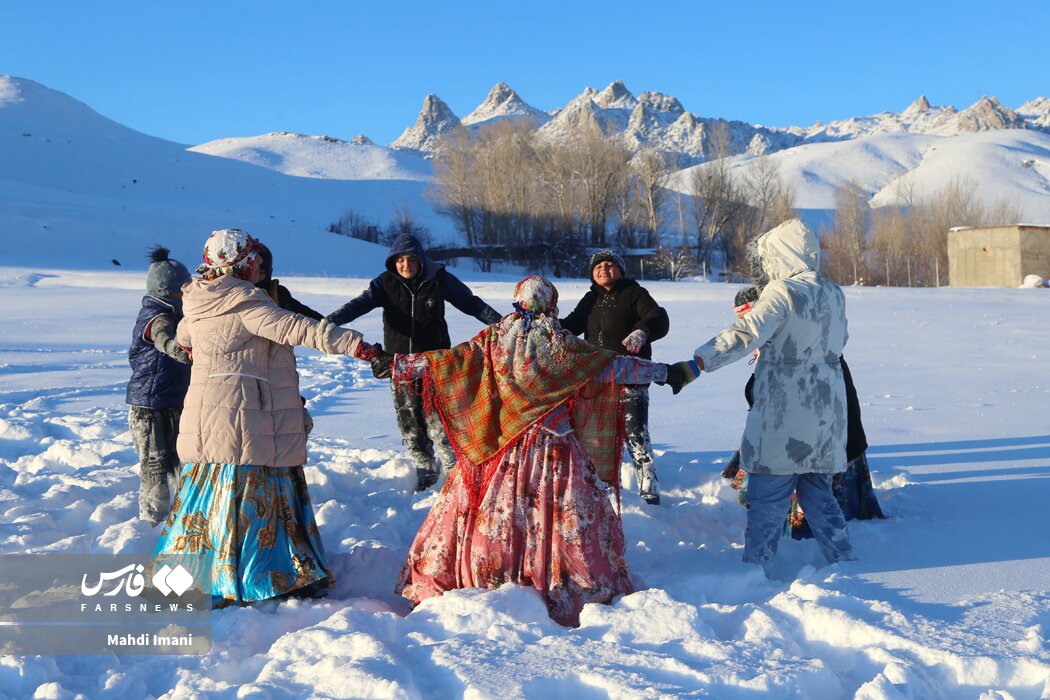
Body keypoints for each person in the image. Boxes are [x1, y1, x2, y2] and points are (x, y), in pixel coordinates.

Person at [393, 277, 694, 626]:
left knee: (487, 516)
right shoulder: (561, 343)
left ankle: (486, 575)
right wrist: (668, 372)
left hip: (499, 447)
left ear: (517, 300)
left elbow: (449, 360)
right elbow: (611, 366)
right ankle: (565, 585)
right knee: (564, 523)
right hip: (554, 450)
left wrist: (397, 364)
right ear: (552, 304)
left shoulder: (494, 338)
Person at [152, 228, 378, 605]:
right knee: (252, 496)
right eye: (253, 259)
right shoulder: (245, 303)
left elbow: (184, 339)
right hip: (244, 418)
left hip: (207, 416)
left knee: (208, 497)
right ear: (240, 264)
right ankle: (259, 575)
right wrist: (359, 346)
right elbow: (298, 327)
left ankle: (191, 573)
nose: (258, 265)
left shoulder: (199, 300)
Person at [692, 219, 855, 569]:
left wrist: (702, 360)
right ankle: (843, 561)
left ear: (780, 254)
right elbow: (840, 342)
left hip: (786, 409)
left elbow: (748, 331)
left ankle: (756, 567)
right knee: (820, 494)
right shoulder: (833, 292)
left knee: (768, 499)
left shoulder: (782, 291)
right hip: (826, 409)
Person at [326, 233, 502, 491]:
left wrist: (500, 324)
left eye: (410, 259)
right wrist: (327, 323)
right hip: (401, 366)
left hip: (435, 365)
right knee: (409, 421)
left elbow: (471, 303)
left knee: (439, 421)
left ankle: (453, 471)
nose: (405, 265)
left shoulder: (439, 279)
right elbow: (358, 305)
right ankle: (425, 468)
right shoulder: (384, 284)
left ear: (420, 259)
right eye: (399, 260)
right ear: (392, 262)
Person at [723, 286, 885, 537]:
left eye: (749, 318)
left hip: (815, 440)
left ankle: (814, 535)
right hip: (805, 435)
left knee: (806, 483)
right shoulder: (786, 340)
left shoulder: (793, 347)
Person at [561, 250, 670, 505]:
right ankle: (600, 487)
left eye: (610, 265)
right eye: (598, 266)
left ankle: (649, 489)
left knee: (636, 434)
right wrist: (548, 326)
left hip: (631, 378)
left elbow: (659, 317)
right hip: (598, 381)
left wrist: (643, 332)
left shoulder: (634, 293)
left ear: (621, 270)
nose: (603, 269)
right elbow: (572, 324)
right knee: (597, 437)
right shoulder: (590, 299)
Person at [126, 246, 193, 526]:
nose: (187, 296)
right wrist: (179, 350)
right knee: (155, 467)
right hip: (149, 408)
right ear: (168, 292)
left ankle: (185, 517)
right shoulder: (158, 316)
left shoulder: (177, 314)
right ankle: (152, 523)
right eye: (182, 292)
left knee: (183, 463)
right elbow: (163, 339)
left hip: (172, 402)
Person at [255, 243, 323, 321]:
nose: (256, 277)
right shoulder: (242, 294)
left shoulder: (280, 294)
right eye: (254, 272)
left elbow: (303, 312)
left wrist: (324, 322)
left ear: (269, 272)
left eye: (261, 272)